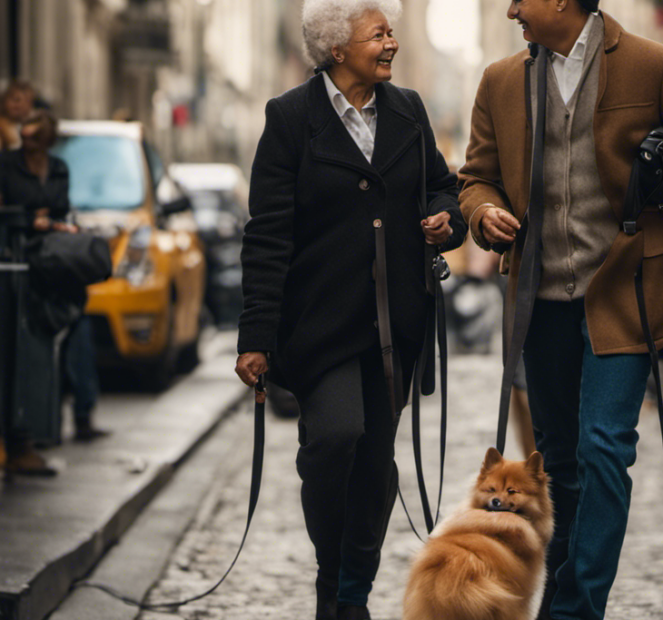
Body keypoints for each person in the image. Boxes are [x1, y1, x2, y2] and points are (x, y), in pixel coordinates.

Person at [458, 1, 663, 618]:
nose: (510, 7)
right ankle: (562, 598)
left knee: (604, 448)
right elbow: (475, 178)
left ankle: (575, 609)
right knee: (558, 462)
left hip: (629, 291)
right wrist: (483, 212)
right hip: (540, 298)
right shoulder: (501, 80)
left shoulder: (652, 65)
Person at [234, 2, 465, 619]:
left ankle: (350, 595)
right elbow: (268, 235)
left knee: (374, 461)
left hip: (396, 326)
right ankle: (331, 574)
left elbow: (445, 184)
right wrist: (255, 336)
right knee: (335, 437)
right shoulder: (289, 118)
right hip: (319, 325)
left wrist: (450, 218)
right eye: (379, 35)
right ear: (337, 50)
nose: (392, 43)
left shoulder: (409, 110)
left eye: (392, 31)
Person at [0, 110, 75, 476]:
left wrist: (49, 220)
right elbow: (9, 211)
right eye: (25, 139)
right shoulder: (6, 164)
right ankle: (17, 441)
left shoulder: (58, 167)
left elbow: (61, 208)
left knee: (45, 346)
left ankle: (31, 436)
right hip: (12, 266)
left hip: (46, 266)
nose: (28, 144)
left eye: (35, 140)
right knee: (15, 351)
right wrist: (32, 219)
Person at [0, 80, 35, 151]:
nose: (20, 105)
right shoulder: (2, 126)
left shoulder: (31, 125)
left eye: (26, 101)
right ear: (4, 101)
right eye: (16, 100)